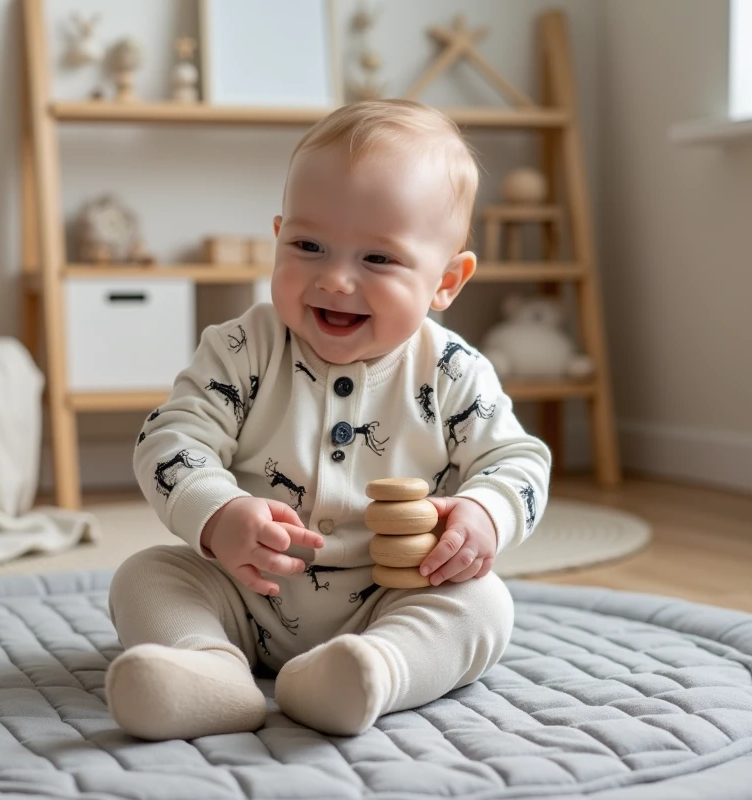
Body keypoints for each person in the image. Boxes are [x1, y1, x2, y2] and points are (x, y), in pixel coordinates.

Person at [107, 98, 552, 741]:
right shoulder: (242, 347)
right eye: (309, 246)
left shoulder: (452, 371)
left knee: (485, 606)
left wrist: (485, 513)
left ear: (446, 281)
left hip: (391, 595)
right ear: (279, 234)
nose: (336, 279)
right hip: (246, 587)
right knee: (145, 576)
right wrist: (217, 514)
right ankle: (210, 673)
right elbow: (170, 439)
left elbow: (517, 461)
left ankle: (369, 672)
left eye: (378, 259)